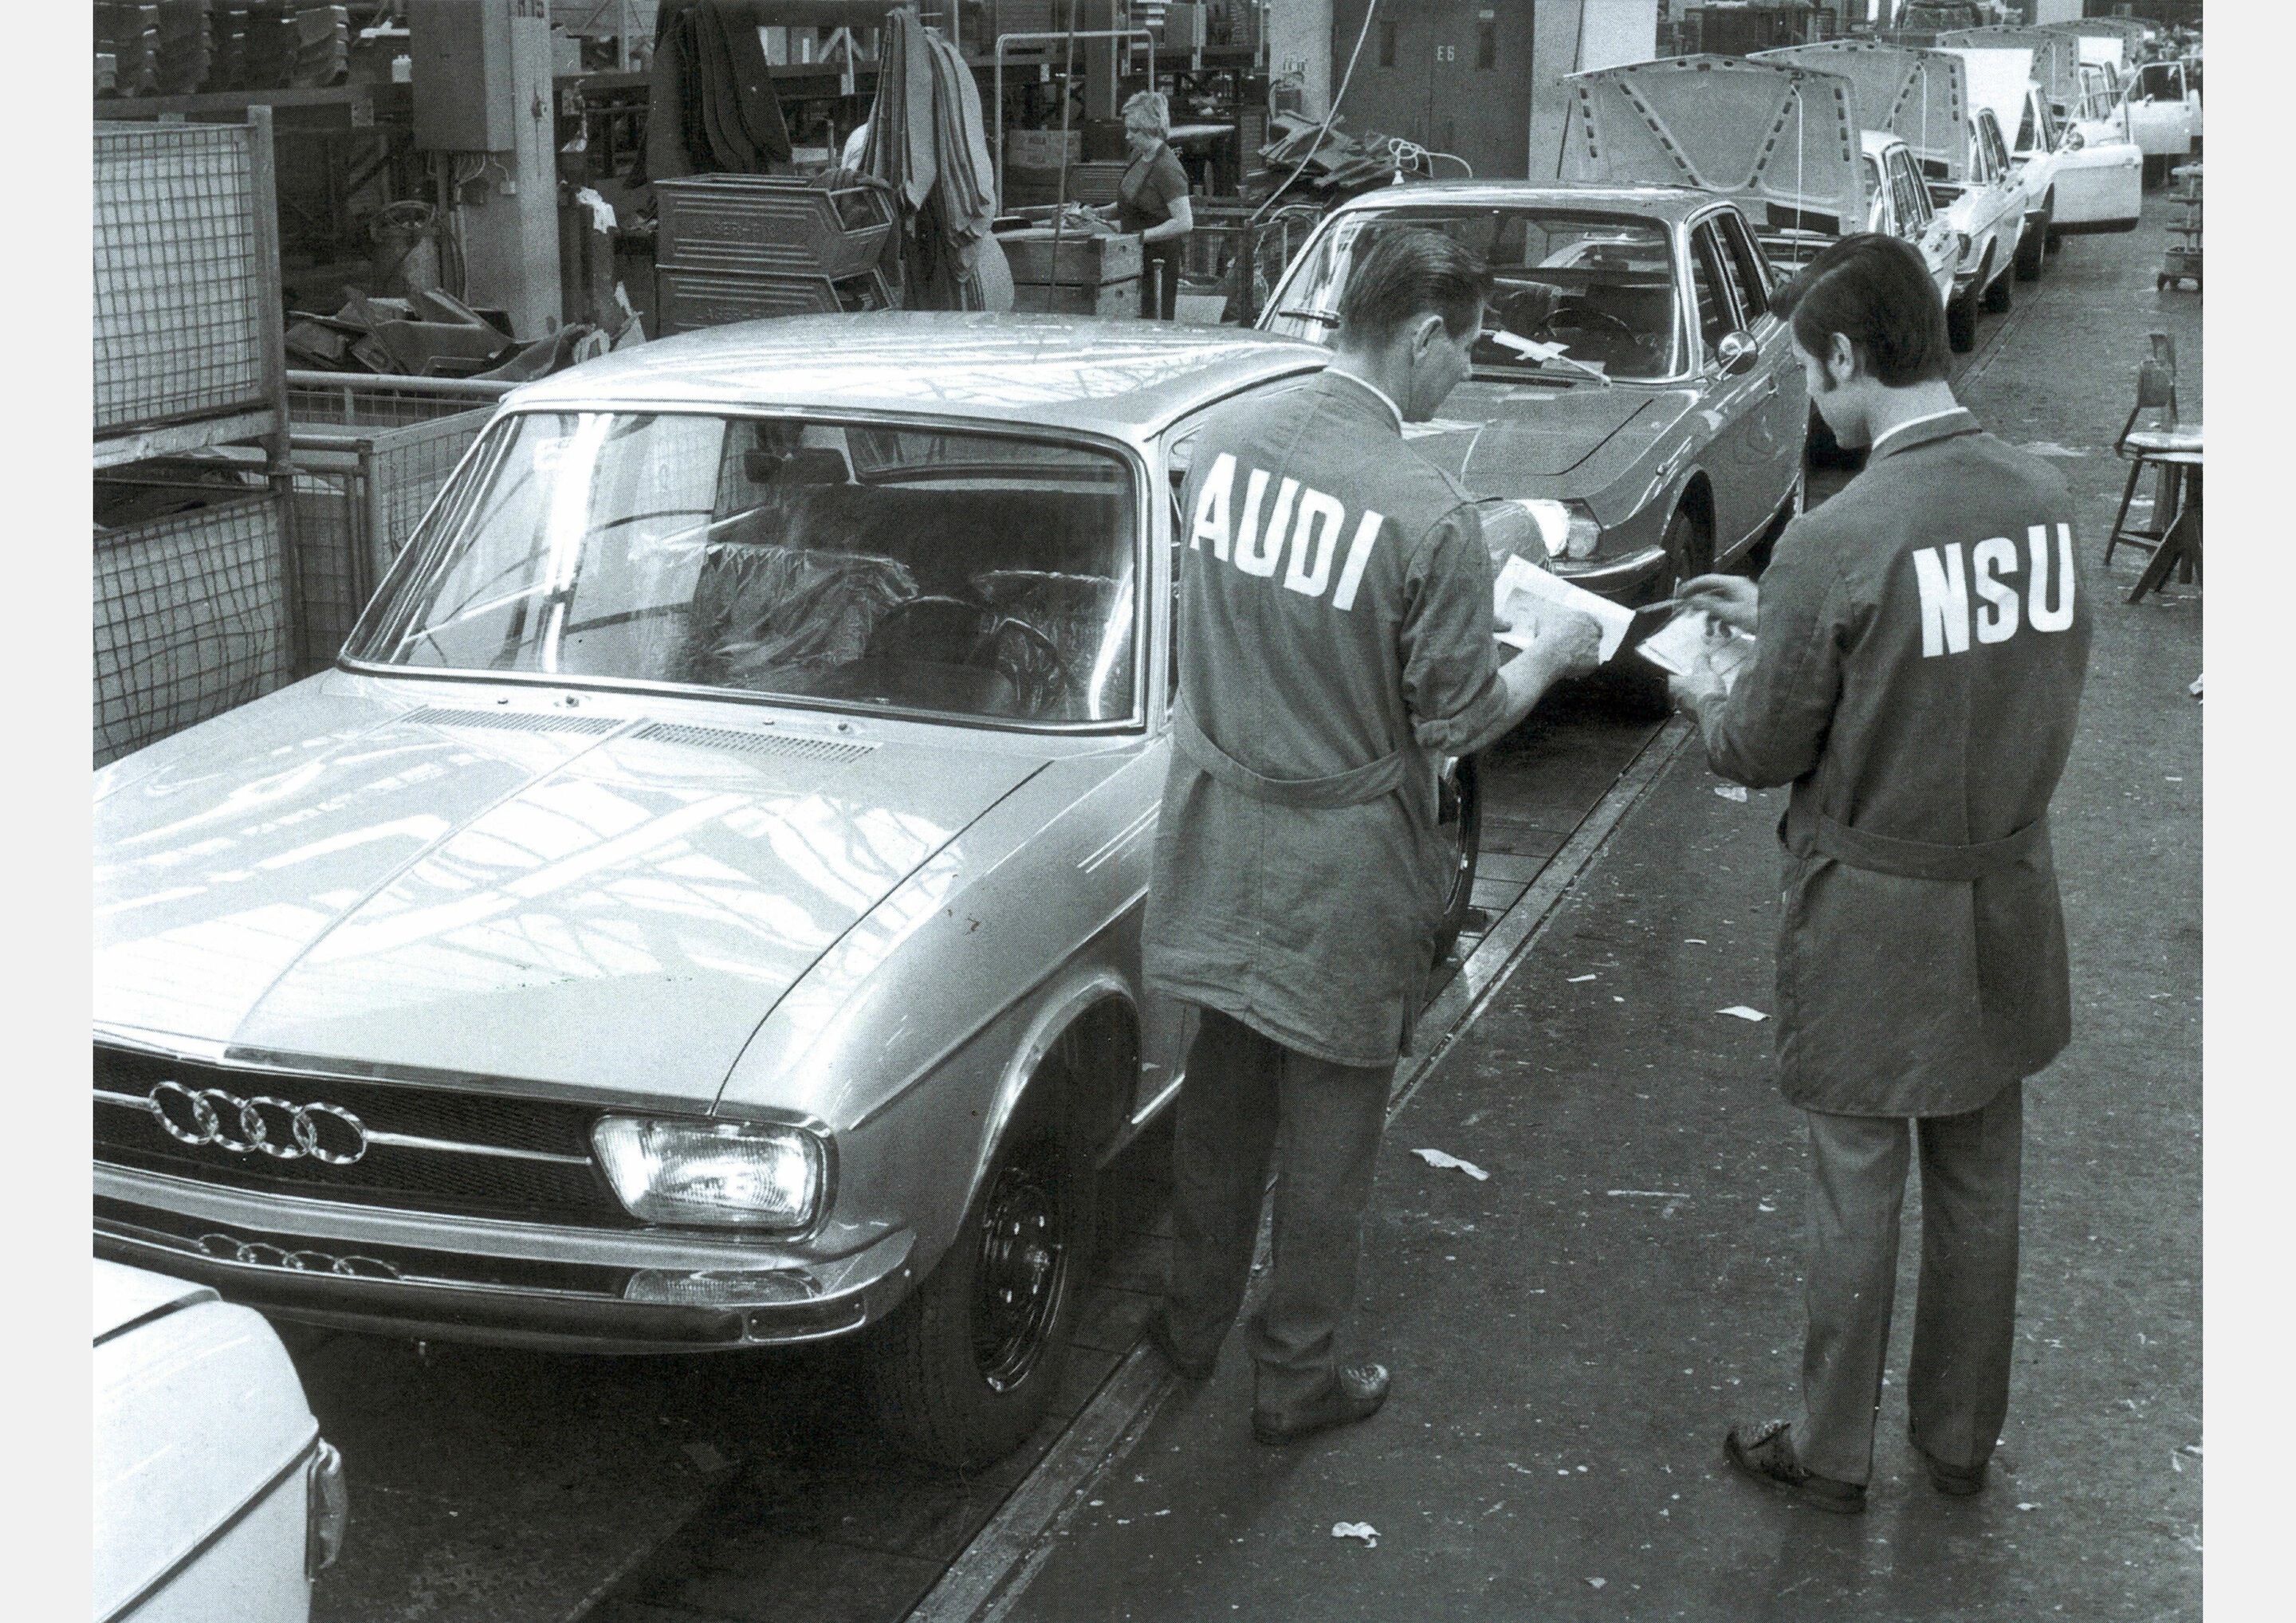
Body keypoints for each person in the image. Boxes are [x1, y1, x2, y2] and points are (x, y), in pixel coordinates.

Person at [1142, 230, 1602, 1443]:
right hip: (1338, 864)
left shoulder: (1223, 445)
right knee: (1335, 1129)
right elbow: (1458, 718)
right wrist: (1551, 654)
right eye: (1466, 351)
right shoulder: (1424, 508)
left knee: (1223, 1095)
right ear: (1421, 336)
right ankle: (1296, 1378)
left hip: (1215, 821)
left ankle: (1187, 1328)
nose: (1466, 378)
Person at [1667, 234, 2094, 1515]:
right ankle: (1958, 1438)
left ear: (1848, 357)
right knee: (1979, 1178)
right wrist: (1786, 622)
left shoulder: (1840, 534)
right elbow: (1956, 654)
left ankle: (1831, 1443)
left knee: (1858, 1185)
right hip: (2005, 897)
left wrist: (1709, 685)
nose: (1812, 398)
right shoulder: (2044, 503)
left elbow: (1763, 744)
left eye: (1811, 374)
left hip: (1871, 912)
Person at [1096, 91, 1193, 320]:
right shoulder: (1138, 156)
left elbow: (1184, 222)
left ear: (1152, 128)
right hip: (1133, 253)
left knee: (1153, 317)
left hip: (1157, 259)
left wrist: (1139, 237)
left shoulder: (1167, 168)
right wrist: (1099, 212)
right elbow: (1132, 201)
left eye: (1135, 130)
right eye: (1127, 129)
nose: (1128, 136)